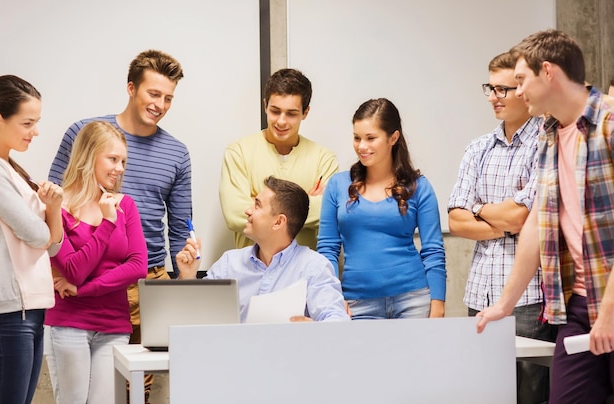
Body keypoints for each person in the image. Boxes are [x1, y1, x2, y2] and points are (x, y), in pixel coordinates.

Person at [476, 29, 614, 403]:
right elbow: (539, 223)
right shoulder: (549, 135)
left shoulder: (608, 125)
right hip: (579, 305)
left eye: (521, 80)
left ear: (548, 72)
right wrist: (505, 305)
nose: (517, 92)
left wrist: (610, 311)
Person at [48, 49, 190, 401]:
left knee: (135, 391)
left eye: (168, 98)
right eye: (153, 94)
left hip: (145, 278)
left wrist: (180, 284)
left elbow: (180, 227)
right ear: (131, 88)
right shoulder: (86, 133)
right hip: (78, 275)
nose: (160, 104)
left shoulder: (176, 152)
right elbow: (54, 203)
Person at [447, 52, 555, 403]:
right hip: (480, 292)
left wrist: (478, 209)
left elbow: (523, 218)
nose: (494, 97)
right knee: (482, 390)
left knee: (529, 393)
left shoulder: (547, 142)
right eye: (490, 88)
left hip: (528, 296)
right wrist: (500, 218)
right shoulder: (477, 148)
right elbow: (455, 220)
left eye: (503, 89)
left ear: (524, 90)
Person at [45, 121, 147, 403]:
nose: (120, 168)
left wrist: (84, 290)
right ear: (89, 156)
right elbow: (74, 271)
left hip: (114, 326)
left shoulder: (125, 205)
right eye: (113, 159)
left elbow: (138, 266)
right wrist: (106, 224)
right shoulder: (57, 207)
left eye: (123, 160)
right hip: (68, 323)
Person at [317, 98, 446, 319]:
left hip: (413, 299)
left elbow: (433, 250)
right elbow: (327, 249)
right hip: (356, 302)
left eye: (371, 138)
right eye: (357, 138)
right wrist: (333, 298)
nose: (361, 146)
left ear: (393, 138)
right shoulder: (337, 185)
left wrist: (438, 305)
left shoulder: (419, 187)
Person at [178, 176, 349, 322]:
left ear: (278, 222)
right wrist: (187, 276)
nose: (248, 210)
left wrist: (313, 329)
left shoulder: (315, 266)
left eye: (257, 205)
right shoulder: (229, 263)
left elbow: (336, 320)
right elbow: (194, 318)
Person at [0, 75, 63, 404]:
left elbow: (54, 244)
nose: (35, 132)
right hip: (5, 313)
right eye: (28, 123)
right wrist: (47, 217)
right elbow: (36, 235)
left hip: (29, 309)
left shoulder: (12, 169)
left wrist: (54, 209)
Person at [219, 68, 339, 249]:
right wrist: (303, 204)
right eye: (275, 111)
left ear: (305, 112)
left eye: (291, 114)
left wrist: (261, 208)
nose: (281, 121)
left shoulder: (324, 159)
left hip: (305, 273)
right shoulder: (239, 152)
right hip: (253, 271)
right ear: (265, 105)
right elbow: (235, 215)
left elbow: (329, 213)